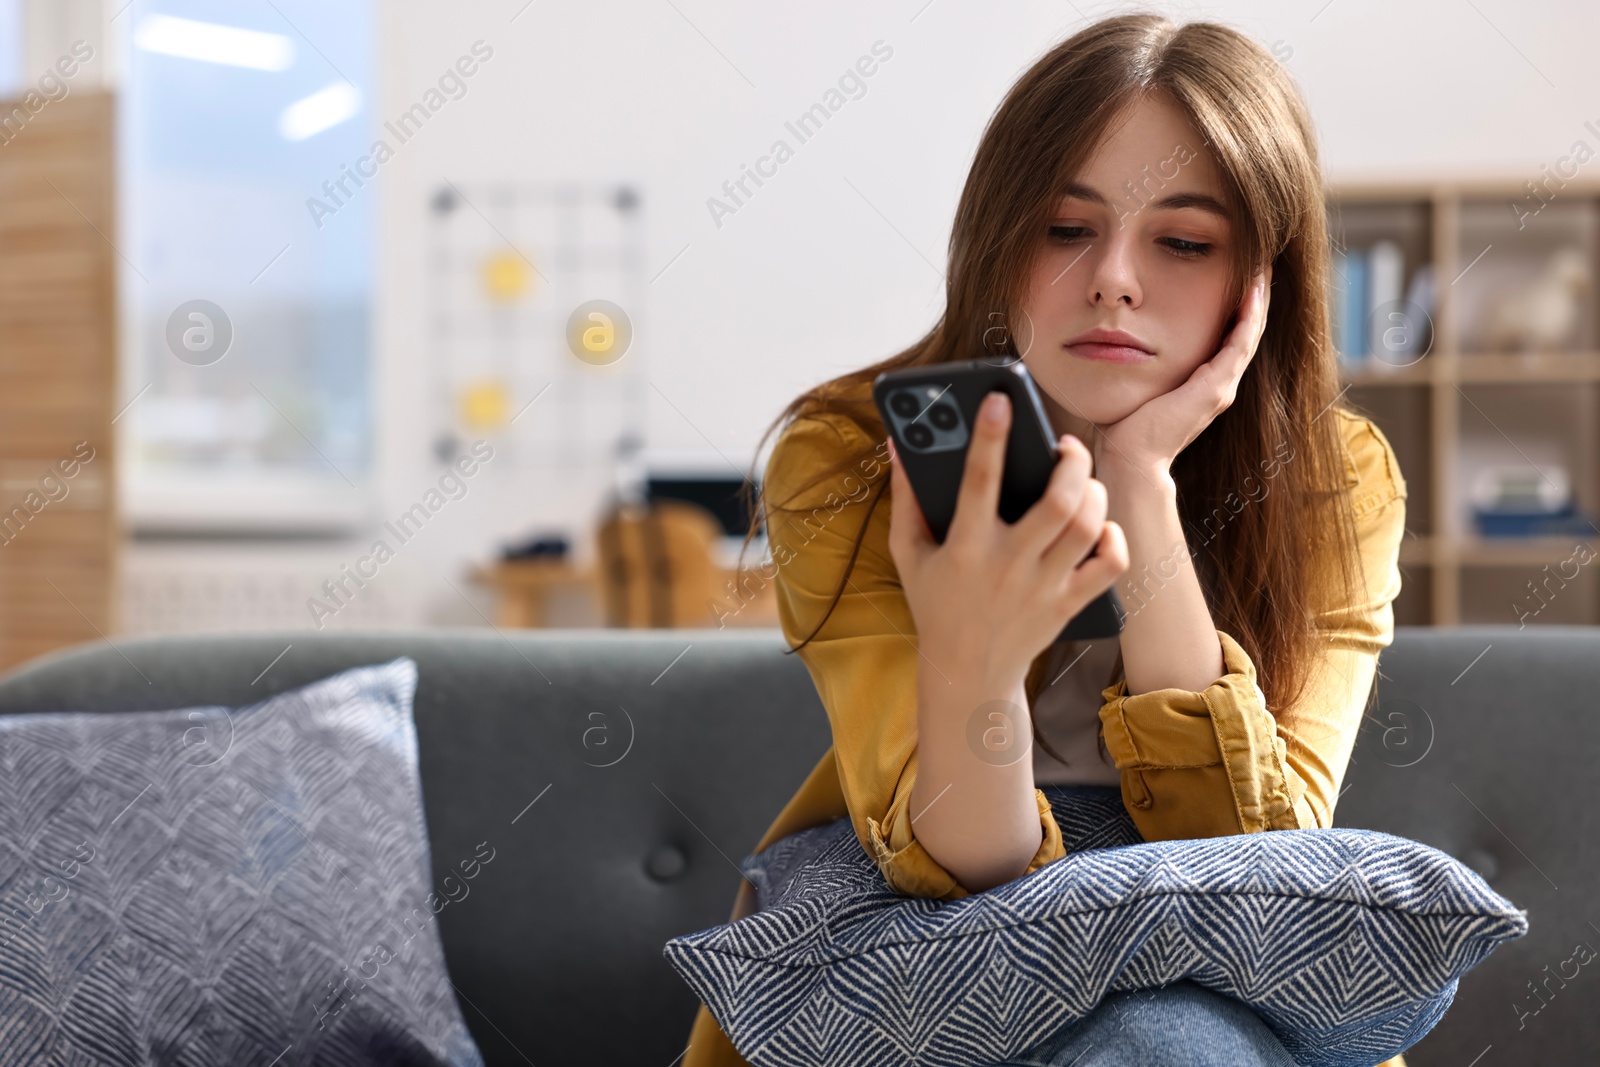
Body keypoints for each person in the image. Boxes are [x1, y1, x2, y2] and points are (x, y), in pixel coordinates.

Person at [683, 12, 1410, 1066]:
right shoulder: (847, 458)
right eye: (1064, 230)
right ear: (996, 240)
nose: (1113, 275)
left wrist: (1139, 487)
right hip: (935, 947)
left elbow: (1259, 872)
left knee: (1167, 1039)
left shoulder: (1335, 481)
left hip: (1220, 990)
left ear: (1261, 281)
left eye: (1184, 240)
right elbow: (958, 869)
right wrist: (972, 650)